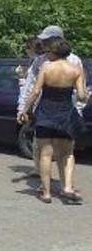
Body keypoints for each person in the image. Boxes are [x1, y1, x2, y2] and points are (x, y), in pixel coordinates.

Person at [19, 38, 89, 203]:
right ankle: (67, 187)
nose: (46, 54)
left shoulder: (46, 67)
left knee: (45, 154)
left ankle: (47, 193)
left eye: (48, 51)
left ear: (54, 52)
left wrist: (25, 110)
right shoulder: (77, 69)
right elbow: (80, 97)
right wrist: (86, 95)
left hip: (46, 114)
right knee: (67, 153)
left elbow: (35, 91)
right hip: (66, 115)